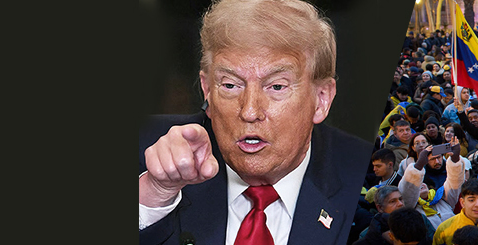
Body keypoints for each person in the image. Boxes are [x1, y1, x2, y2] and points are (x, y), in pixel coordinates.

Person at [137, 1, 370, 245]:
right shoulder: (145, 152)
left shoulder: (359, 171)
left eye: (277, 87)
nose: (249, 112)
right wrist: (155, 195)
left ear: (321, 99)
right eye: (230, 85)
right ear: (208, 91)